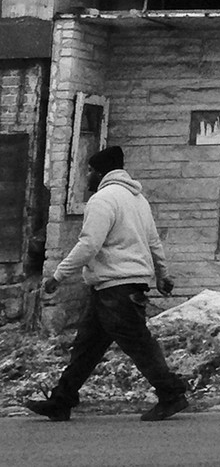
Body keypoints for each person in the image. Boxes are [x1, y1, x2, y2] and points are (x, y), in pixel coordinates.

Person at [26, 146, 189, 422]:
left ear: (101, 172)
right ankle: (61, 401)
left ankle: (171, 394)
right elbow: (153, 242)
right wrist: (162, 274)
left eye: (90, 170)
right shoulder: (138, 200)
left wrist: (58, 276)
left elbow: (89, 244)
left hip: (117, 288)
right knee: (86, 348)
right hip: (117, 288)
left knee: (139, 345)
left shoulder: (103, 200)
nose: (88, 175)